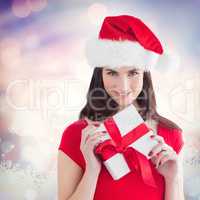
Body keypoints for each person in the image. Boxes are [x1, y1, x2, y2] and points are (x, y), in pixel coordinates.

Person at [57, 15, 185, 200]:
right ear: (100, 74)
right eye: (112, 72)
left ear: (145, 74)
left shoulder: (170, 135)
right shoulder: (76, 136)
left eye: (133, 72)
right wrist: (92, 171)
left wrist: (173, 178)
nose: (123, 87)